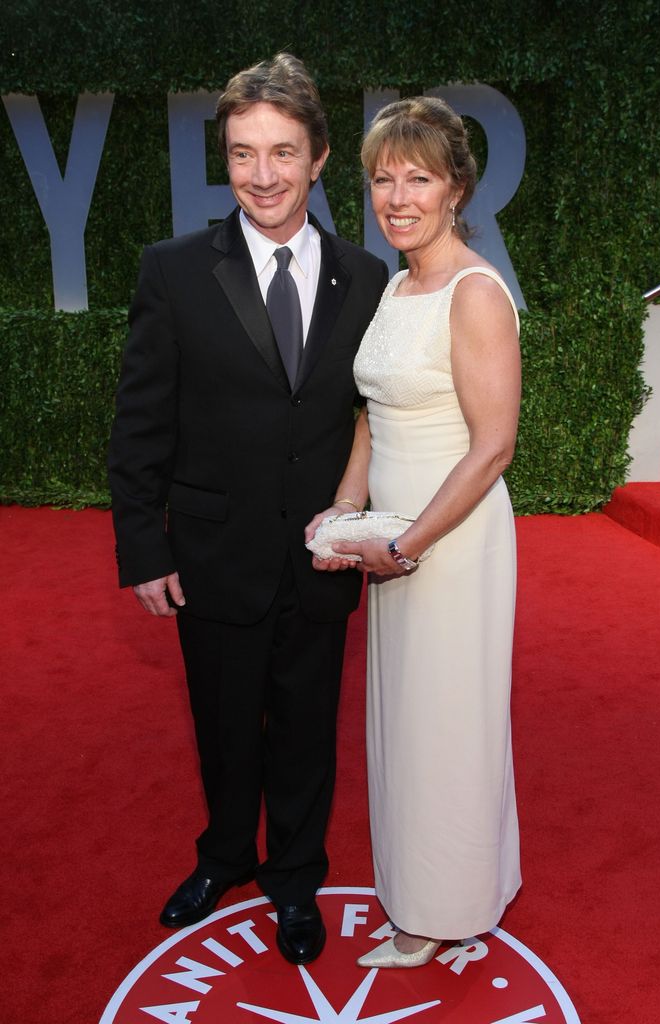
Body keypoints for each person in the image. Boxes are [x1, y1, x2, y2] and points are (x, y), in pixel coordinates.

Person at [108, 52, 387, 965]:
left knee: (308, 728)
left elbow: (368, 418)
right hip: (216, 550)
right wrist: (144, 547)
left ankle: (296, 881)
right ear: (223, 159)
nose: (261, 175)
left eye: (281, 152)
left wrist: (366, 524)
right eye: (241, 153)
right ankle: (224, 856)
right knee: (224, 726)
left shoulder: (366, 276)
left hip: (320, 556)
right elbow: (142, 419)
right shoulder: (175, 270)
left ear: (319, 158)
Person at [307, 95, 522, 967]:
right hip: (394, 536)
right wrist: (347, 510)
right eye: (383, 178)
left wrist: (406, 545)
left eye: (418, 178)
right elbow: (372, 414)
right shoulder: (398, 282)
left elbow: (493, 446)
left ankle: (443, 909)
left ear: (457, 189)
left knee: (447, 722)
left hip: (450, 538)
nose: (398, 196)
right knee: (405, 720)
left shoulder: (473, 292)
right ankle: (429, 889)